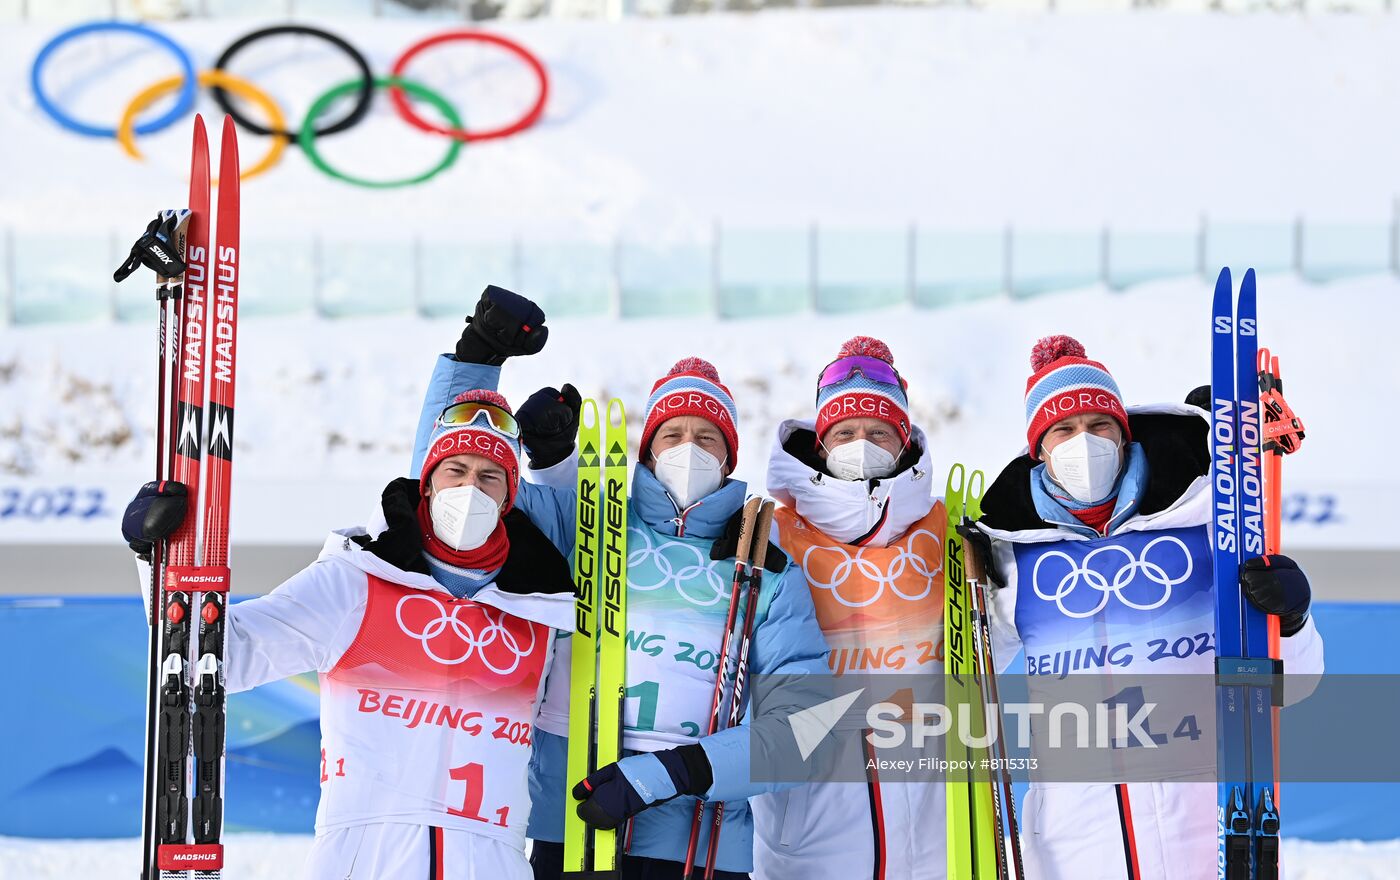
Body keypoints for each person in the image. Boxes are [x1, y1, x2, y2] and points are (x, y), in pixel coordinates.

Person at [412, 286, 831, 879]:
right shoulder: (588, 522)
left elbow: (808, 726)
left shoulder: (764, 561)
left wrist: (672, 773)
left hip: (699, 846)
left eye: (707, 438)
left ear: (730, 456)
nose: (690, 449)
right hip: (573, 828)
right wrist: (476, 359)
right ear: (648, 449)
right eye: (672, 435)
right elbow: (449, 484)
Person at [122, 387, 575, 879]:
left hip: (494, 858)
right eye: (456, 470)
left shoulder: (541, 611)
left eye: (489, 477)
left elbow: (565, 731)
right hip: (365, 854)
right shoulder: (354, 580)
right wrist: (157, 560)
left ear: (509, 497)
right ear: (427, 483)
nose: (470, 489)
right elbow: (218, 660)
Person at [971, 335, 1325, 880]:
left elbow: (1292, 686)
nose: (1083, 443)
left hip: (1209, 828)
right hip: (1075, 844)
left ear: (1124, 432)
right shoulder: (1011, 551)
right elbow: (968, 677)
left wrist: (1292, 621)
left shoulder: (1207, 523)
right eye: (1063, 430)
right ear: (1038, 450)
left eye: (1099, 426)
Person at [750, 335, 950, 880]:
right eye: (845, 432)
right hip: (808, 844)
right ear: (821, 444)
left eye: (879, 432)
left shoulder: (948, 535)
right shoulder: (768, 538)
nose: (861, 444)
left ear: (903, 441)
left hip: (935, 843)